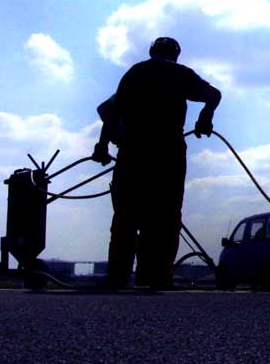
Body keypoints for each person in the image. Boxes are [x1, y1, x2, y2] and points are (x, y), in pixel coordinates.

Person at [92, 37, 221, 290]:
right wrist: (204, 118)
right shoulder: (178, 73)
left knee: (126, 217)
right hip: (167, 152)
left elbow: (111, 112)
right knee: (165, 216)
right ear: (176, 54)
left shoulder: (135, 73)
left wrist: (102, 145)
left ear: (151, 52)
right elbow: (213, 95)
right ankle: (156, 276)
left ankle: (118, 275)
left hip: (133, 152)